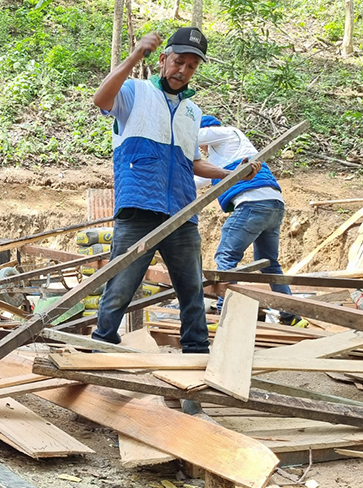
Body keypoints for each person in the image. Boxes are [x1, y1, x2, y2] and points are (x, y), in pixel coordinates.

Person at [90, 27, 261, 360]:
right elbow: (101, 99)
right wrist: (136, 54)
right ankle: (99, 344)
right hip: (139, 206)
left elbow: (193, 162)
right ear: (164, 59)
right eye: (178, 62)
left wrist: (230, 173)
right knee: (120, 286)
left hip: (181, 211)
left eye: (191, 67)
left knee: (192, 289)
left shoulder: (192, 113)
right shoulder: (135, 92)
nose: (183, 71)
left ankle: (196, 353)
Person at [195, 115, 308, 327]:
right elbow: (197, 181)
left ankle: (226, 316)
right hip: (273, 204)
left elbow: (191, 134)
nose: (200, 149)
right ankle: (290, 315)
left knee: (226, 258)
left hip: (252, 204)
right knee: (270, 264)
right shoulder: (222, 156)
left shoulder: (227, 133)